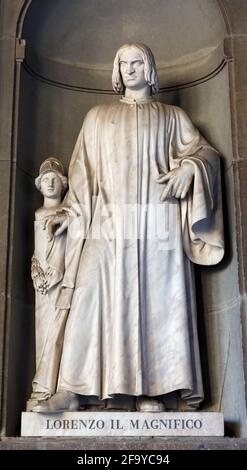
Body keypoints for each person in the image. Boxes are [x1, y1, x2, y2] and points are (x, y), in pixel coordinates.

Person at [33, 43, 224, 413]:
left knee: (158, 303)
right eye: (124, 62)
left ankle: (152, 389)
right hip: (107, 221)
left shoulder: (172, 116)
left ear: (150, 69)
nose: (130, 68)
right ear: (116, 70)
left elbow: (206, 154)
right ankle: (73, 388)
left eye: (138, 62)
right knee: (87, 298)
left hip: (158, 220)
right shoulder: (97, 116)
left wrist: (190, 169)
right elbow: (82, 174)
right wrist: (69, 213)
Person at [27, 158, 69, 411]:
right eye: (46, 179)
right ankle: (42, 387)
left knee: (59, 333)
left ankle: (54, 386)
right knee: (44, 331)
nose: (50, 182)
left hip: (62, 281)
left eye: (54, 178)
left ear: (63, 184)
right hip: (42, 285)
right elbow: (38, 250)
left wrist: (57, 272)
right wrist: (37, 271)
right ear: (39, 185)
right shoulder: (38, 214)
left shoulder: (69, 215)